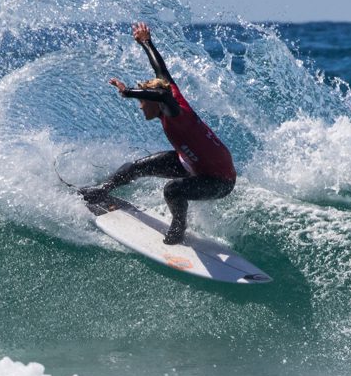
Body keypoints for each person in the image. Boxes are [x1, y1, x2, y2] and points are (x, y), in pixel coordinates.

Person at [80, 22, 236, 244]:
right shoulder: (171, 94)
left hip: (219, 181)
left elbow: (161, 97)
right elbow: (161, 71)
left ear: (154, 102)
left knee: (172, 190)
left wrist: (127, 92)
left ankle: (178, 227)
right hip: (192, 164)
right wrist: (146, 42)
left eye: (143, 102)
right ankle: (101, 191)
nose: (141, 107)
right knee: (136, 167)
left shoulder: (175, 113)